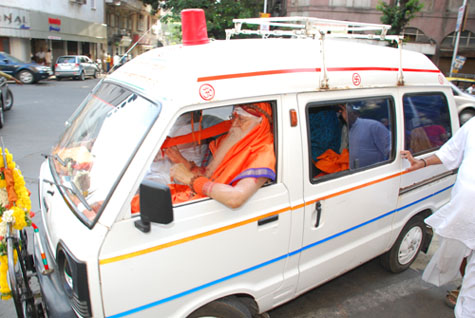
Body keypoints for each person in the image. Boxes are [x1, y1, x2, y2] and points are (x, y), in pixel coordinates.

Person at [401, 117, 475, 318]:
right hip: (463, 215)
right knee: (460, 259)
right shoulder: (472, 126)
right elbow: (449, 153)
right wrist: (421, 162)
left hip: (464, 214)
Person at [167, 102, 275, 209]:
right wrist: (182, 161)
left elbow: (235, 198)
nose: (234, 124)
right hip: (204, 200)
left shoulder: (263, 153)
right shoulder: (229, 139)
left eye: (241, 119)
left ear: (261, 124)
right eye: (233, 117)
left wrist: (191, 180)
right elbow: (208, 175)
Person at [340, 104, 390, 169]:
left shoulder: (373, 126)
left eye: (346, 113)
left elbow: (390, 149)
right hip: (353, 172)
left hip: (374, 172)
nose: (344, 116)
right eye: (342, 113)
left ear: (354, 114)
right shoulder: (345, 128)